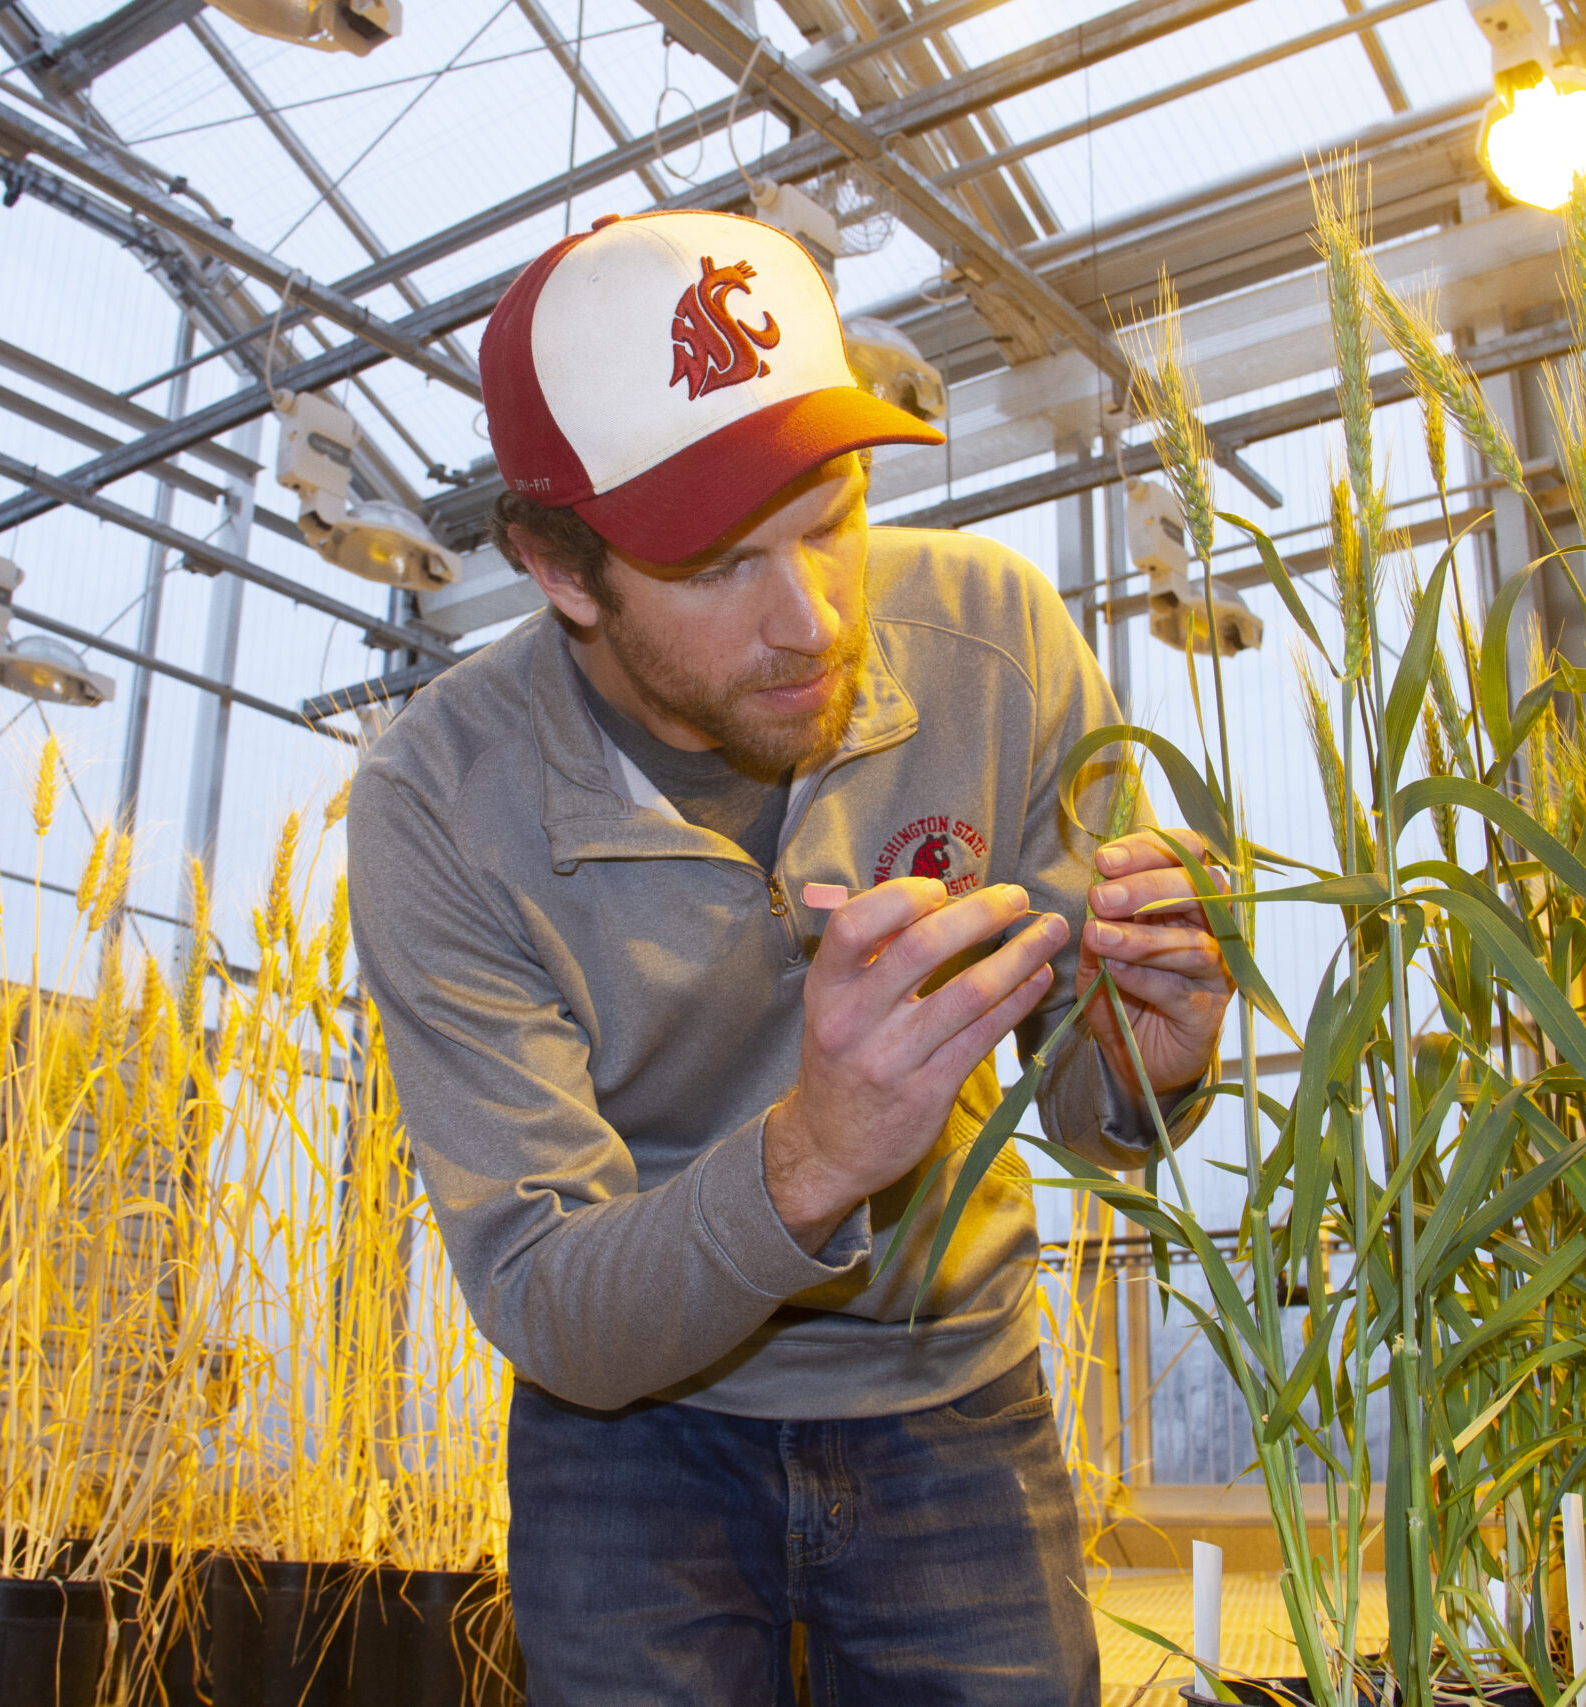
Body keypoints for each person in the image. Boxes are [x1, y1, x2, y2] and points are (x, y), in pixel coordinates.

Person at [347, 208, 1236, 1705]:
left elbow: (1097, 1122)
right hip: (628, 1444)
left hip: (956, 1395)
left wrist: (1153, 1057)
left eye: (833, 520)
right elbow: (551, 1299)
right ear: (562, 572)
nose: (811, 618)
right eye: (718, 567)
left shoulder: (999, 640)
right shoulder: (440, 802)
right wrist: (811, 1156)